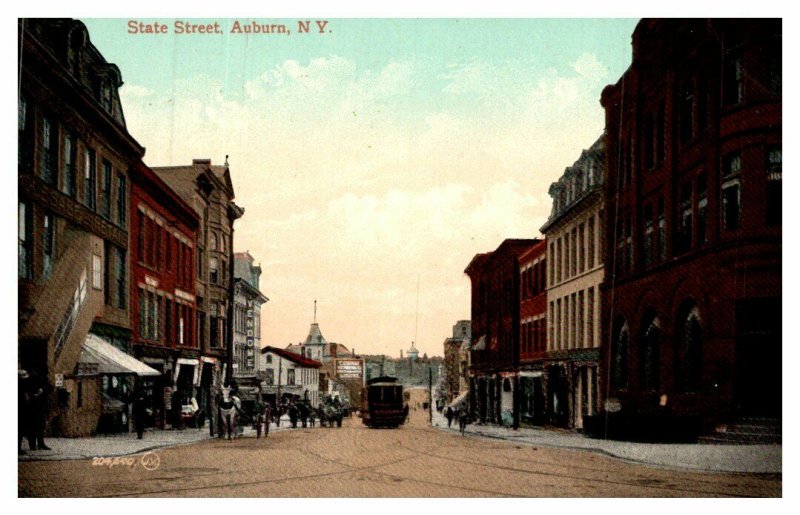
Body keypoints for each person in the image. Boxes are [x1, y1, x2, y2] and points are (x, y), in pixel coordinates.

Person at [27, 372, 50, 450]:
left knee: (40, 426)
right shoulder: (30, 380)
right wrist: (34, 395)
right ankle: (33, 445)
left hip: (39, 406)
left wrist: (42, 390)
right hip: (32, 406)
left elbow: (48, 387)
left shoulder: (41, 379)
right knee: (33, 426)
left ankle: (39, 444)